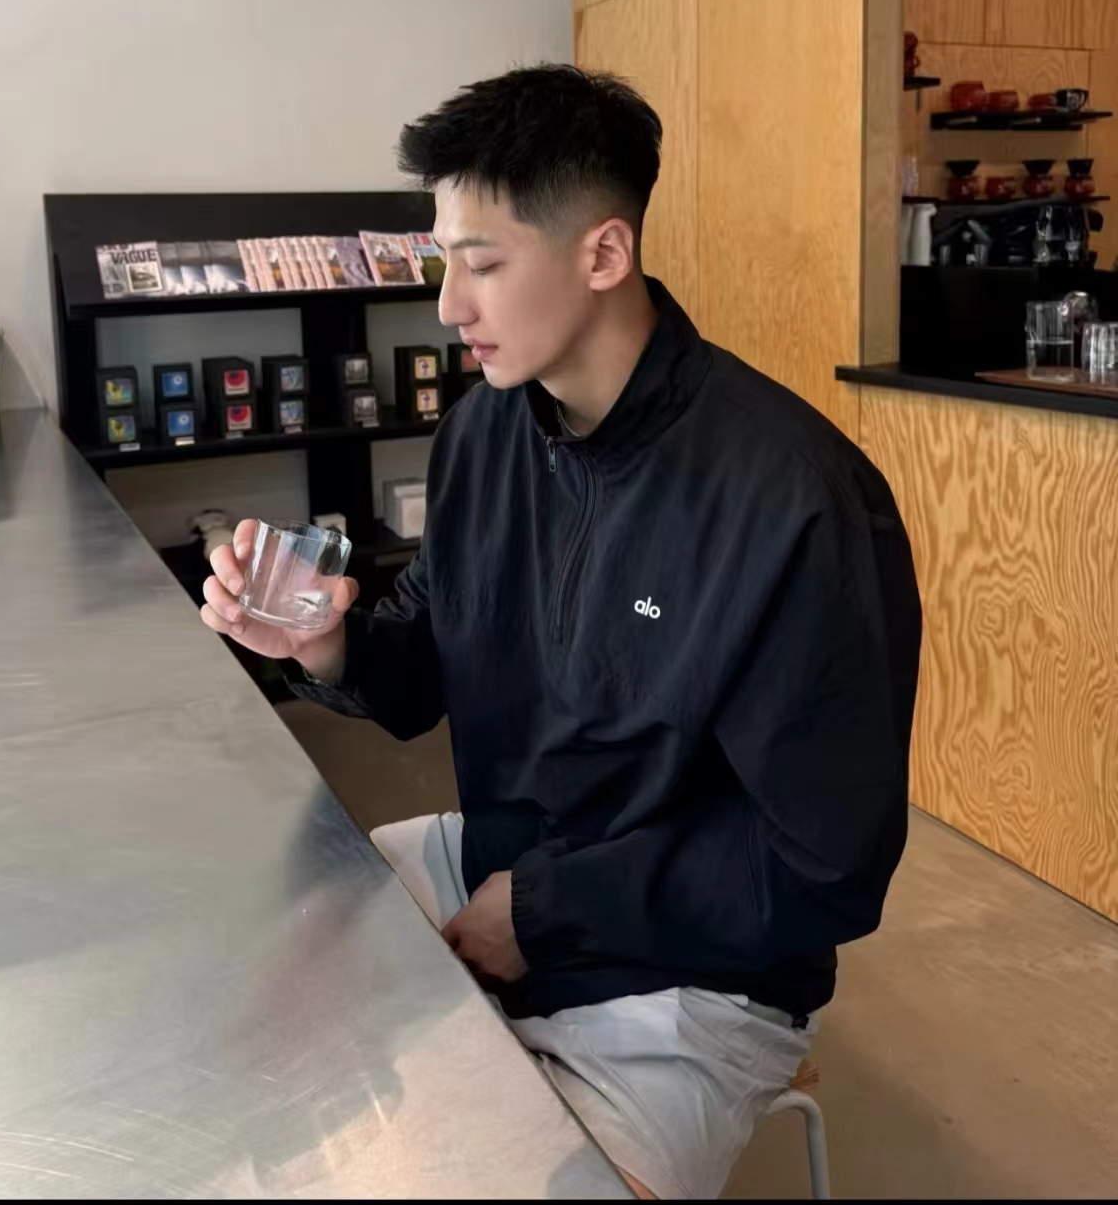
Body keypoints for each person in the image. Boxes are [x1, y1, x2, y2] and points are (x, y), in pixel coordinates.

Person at [201, 64, 922, 1200]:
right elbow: (421, 655)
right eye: (443, 261)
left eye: (482, 264)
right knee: (257, 974)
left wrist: (542, 913)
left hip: (693, 974)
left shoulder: (791, 501)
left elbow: (825, 866)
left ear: (603, 253)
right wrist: (322, 648)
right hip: (504, 852)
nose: (449, 306)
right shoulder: (484, 434)